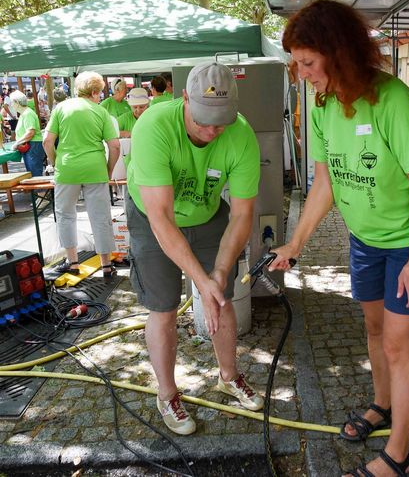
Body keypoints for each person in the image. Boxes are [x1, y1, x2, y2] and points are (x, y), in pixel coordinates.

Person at [269, 0, 409, 477]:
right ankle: (382, 404)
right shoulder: (324, 103)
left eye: (308, 62)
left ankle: (398, 456)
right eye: (297, 63)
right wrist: (296, 243)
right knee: (374, 331)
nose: (302, 73)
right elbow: (325, 182)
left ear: (339, 52)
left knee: (398, 346)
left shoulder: (391, 100)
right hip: (366, 240)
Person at [126, 61, 263, 435]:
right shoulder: (153, 126)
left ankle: (229, 376)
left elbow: (242, 215)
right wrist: (199, 279)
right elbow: (162, 218)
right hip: (152, 214)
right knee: (164, 306)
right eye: (203, 119)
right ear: (184, 98)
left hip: (206, 213)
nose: (211, 131)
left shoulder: (241, 135)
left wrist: (217, 274)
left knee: (221, 295)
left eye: (221, 121)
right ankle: (167, 393)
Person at [43, 71, 120, 277]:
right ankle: (106, 265)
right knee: (100, 216)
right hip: (95, 168)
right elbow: (114, 146)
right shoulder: (100, 112)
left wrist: (55, 163)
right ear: (95, 92)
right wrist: (108, 170)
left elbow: (47, 141)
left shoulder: (61, 108)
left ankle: (72, 262)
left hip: (67, 169)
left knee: (65, 215)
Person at [10, 90, 46, 177]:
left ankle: (40, 191)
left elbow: (30, 132)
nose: (11, 105)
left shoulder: (27, 114)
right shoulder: (25, 113)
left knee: (35, 175)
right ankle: (37, 190)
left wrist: (17, 143)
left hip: (33, 146)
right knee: (32, 173)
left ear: (17, 102)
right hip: (31, 146)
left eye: (12, 102)